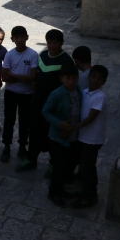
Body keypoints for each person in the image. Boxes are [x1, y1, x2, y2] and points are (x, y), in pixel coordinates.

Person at [16, 29, 75, 173]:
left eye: (55, 43)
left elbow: (69, 85)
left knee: (53, 136)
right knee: (34, 131)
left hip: (55, 106)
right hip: (38, 102)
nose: (52, 46)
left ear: (61, 43)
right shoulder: (42, 56)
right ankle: (31, 159)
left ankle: (53, 163)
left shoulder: (66, 61)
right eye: (49, 42)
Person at [41, 64, 82, 208]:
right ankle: (53, 193)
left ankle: (61, 190)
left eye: (73, 78)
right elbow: (46, 112)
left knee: (67, 166)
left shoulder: (79, 92)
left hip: (72, 136)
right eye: (67, 78)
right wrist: (60, 124)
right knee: (58, 167)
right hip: (58, 137)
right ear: (62, 79)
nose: (71, 81)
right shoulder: (57, 94)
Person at [69, 65, 108, 208]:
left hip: (93, 139)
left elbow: (91, 118)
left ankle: (90, 196)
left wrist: (74, 127)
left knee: (88, 167)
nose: (96, 81)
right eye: (94, 76)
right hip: (83, 136)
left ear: (104, 82)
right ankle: (85, 191)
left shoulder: (101, 97)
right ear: (89, 77)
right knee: (83, 166)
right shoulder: (84, 92)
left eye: (100, 79)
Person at [0, 26, 39, 163]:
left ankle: (22, 146)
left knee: (24, 122)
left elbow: (32, 77)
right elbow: (4, 77)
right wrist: (23, 77)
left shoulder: (33, 54)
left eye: (22, 36)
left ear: (27, 37)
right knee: (9, 120)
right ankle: (7, 146)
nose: (20, 39)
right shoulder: (9, 55)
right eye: (17, 37)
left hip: (27, 94)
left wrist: (13, 75)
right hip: (11, 92)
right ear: (12, 39)